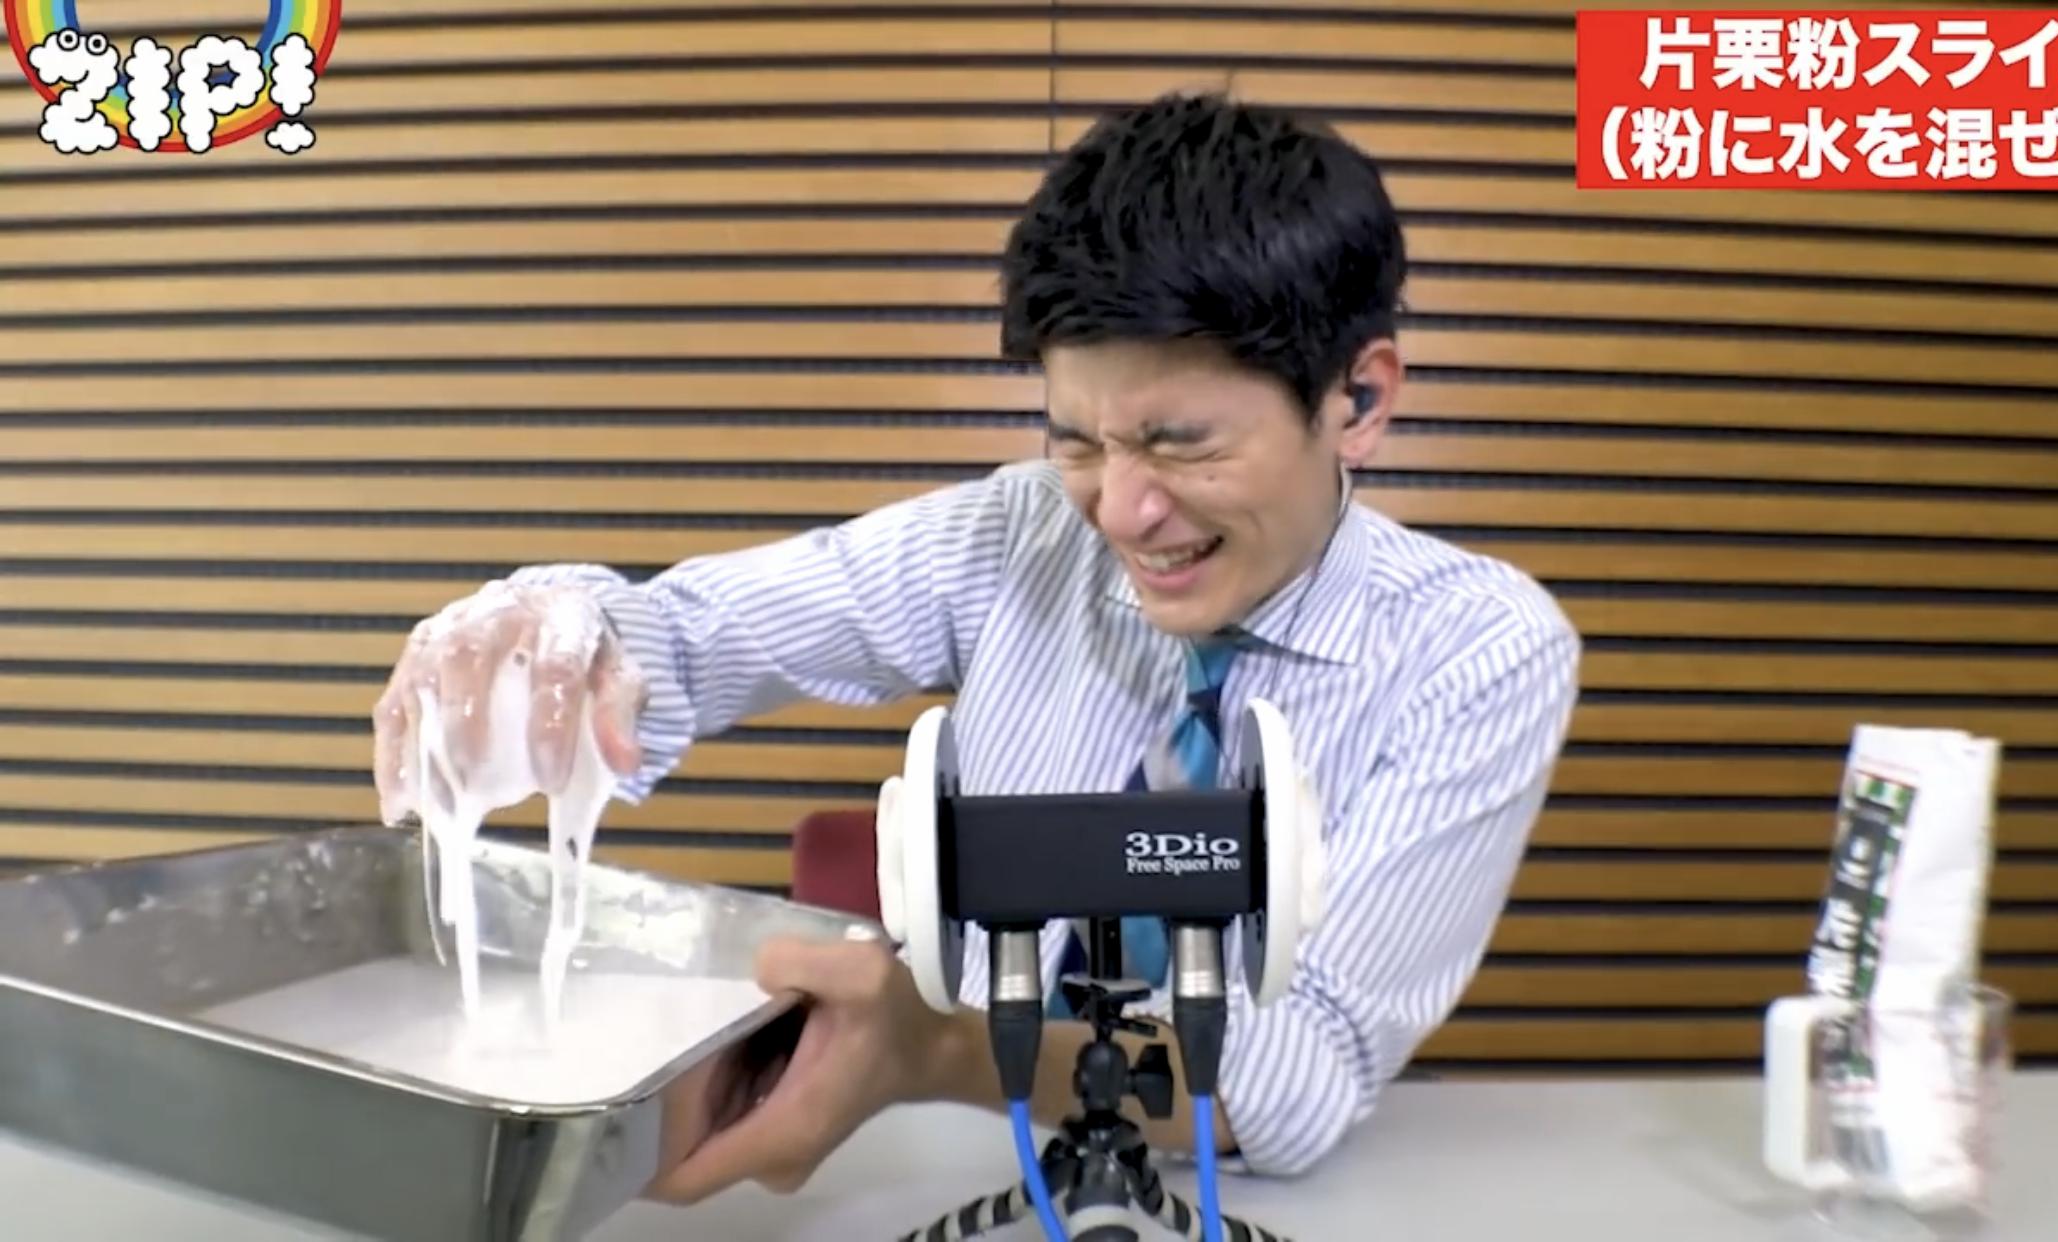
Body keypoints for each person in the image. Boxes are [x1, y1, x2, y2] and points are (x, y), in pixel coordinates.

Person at [371, 91, 1581, 1204]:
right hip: (943, 1172)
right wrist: (550, 631)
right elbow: (684, 636)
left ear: (1358, 401)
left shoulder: (1477, 652)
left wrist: (934, 1049)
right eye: (1078, 442)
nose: (1121, 513)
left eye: (1182, 444)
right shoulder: (1016, 531)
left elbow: (1297, 1080)